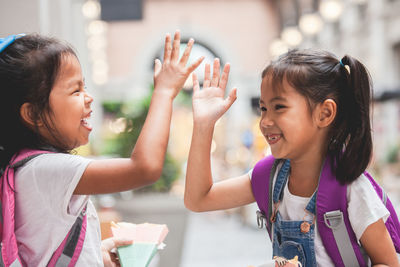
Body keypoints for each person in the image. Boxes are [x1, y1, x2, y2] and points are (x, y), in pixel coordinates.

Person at [0, 31, 203, 266]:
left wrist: (96, 253)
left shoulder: (27, 169)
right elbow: (144, 168)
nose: (89, 98)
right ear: (33, 114)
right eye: (75, 91)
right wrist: (164, 92)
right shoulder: (43, 169)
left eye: (84, 87)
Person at [184, 50, 400, 266]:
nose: (265, 121)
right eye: (263, 108)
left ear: (324, 114)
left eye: (279, 107)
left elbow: (389, 263)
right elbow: (198, 199)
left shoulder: (352, 188)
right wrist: (204, 125)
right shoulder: (268, 177)